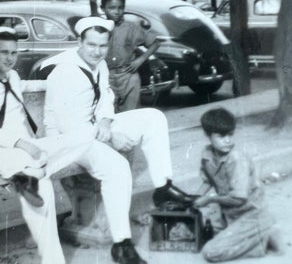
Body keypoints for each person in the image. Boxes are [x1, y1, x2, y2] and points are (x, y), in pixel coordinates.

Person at [45, 16, 194, 264]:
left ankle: (163, 188)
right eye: (91, 45)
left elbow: (105, 100)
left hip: (94, 129)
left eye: (102, 46)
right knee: (118, 168)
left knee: (154, 118)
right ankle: (121, 244)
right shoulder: (64, 72)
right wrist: (111, 135)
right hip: (68, 140)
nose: (97, 51)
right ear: (79, 41)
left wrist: (106, 122)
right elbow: (67, 126)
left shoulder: (99, 65)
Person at [0, 27, 92, 264]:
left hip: (29, 148)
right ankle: (31, 175)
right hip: (0, 154)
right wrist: (20, 143)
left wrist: (53, 83)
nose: (10, 58)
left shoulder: (11, 77)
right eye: (4, 52)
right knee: (44, 188)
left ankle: (31, 174)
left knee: (84, 138)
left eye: (14, 52)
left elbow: (23, 87)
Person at [194, 108, 283, 262]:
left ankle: (261, 240)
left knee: (211, 252)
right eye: (221, 136)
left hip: (250, 213)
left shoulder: (236, 160)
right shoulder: (207, 154)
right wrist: (194, 198)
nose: (228, 140)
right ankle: (254, 234)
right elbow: (208, 180)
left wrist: (209, 200)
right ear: (208, 136)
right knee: (201, 237)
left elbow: (239, 199)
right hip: (230, 214)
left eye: (230, 135)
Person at [90, 0, 160, 112]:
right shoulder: (99, 26)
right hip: (106, 78)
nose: (117, 12)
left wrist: (140, 60)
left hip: (129, 77)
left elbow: (155, 43)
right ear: (103, 8)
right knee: (108, 115)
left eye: (120, 8)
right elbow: (92, 1)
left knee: (131, 117)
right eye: (111, 8)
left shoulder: (131, 28)